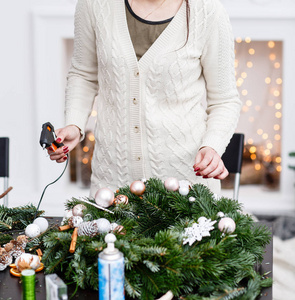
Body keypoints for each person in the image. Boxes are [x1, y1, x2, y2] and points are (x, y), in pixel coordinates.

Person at [48, 0, 242, 196]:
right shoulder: (94, 5)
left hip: (186, 189)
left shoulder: (208, 12)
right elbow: (83, 75)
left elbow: (224, 100)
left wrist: (212, 146)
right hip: (112, 189)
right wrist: (74, 124)